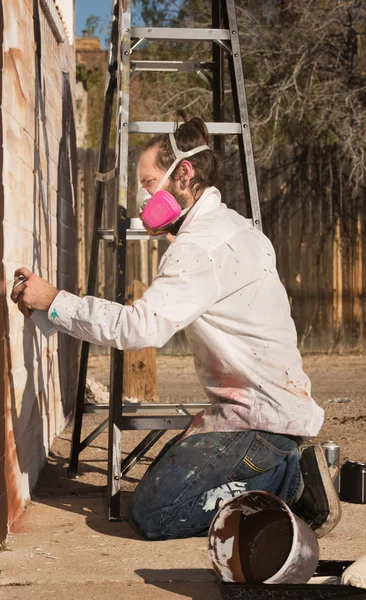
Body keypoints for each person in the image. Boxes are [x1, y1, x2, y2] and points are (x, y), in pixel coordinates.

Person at [11, 111, 341, 541]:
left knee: (154, 512)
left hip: (263, 423)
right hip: (259, 412)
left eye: (149, 183)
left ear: (183, 175)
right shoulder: (236, 228)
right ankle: (279, 463)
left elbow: (138, 329)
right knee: (167, 481)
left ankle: (293, 483)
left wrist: (54, 303)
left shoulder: (199, 247)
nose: (144, 198)